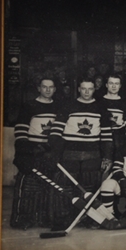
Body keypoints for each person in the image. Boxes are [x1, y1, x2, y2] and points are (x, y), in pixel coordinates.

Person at [48, 79, 113, 195]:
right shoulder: (68, 106)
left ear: (94, 89)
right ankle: (66, 213)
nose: (87, 92)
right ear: (79, 89)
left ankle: (87, 214)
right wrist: (56, 153)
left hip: (92, 155)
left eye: (90, 89)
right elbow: (55, 133)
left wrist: (107, 157)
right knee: (67, 190)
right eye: (83, 89)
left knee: (89, 190)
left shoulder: (101, 108)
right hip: (69, 154)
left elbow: (107, 137)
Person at [10, 77, 59, 229]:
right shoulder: (29, 106)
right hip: (32, 151)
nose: (48, 90)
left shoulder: (58, 107)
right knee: (27, 187)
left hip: (48, 152)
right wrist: (25, 152)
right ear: (39, 88)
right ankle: (21, 219)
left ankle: (43, 218)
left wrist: (53, 148)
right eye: (44, 87)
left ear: (55, 89)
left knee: (46, 187)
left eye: (51, 87)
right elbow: (20, 131)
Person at [100, 74, 126, 150]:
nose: (114, 86)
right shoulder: (99, 102)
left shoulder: (125, 104)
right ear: (106, 85)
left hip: (119, 142)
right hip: (102, 141)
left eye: (116, 84)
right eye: (111, 83)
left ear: (120, 86)